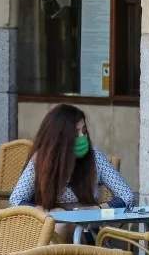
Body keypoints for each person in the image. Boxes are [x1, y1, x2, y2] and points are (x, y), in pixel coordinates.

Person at [10, 103, 135, 242]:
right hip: (45, 230)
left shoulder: (96, 158)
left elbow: (127, 196)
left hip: (85, 231)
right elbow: (16, 200)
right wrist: (42, 210)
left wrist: (98, 208)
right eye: (76, 133)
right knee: (60, 227)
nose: (83, 137)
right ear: (59, 138)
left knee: (65, 228)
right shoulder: (40, 160)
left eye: (84, 131)